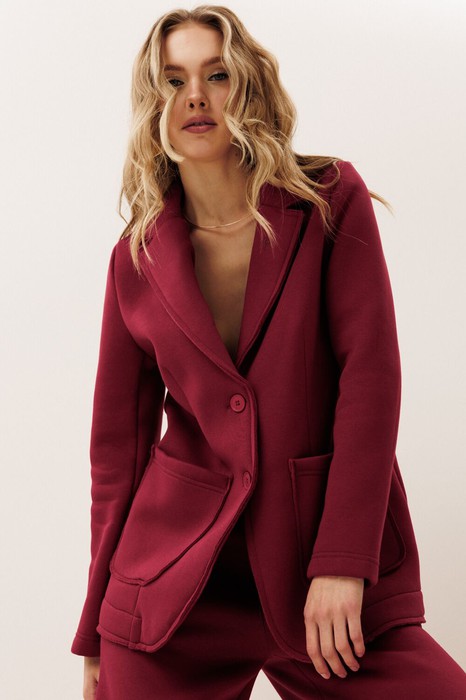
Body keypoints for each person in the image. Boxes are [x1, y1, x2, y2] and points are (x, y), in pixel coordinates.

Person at [71, 5, 466, 699]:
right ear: (153, 105)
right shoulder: (134, 260)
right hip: (175, 592)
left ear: (247, 85)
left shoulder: (327, 201)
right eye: (173, 80)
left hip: (318, 574)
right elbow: (117, 454)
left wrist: (343, 561)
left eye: (217, 74)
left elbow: (370, 381)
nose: (195, 96)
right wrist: (98, 625)